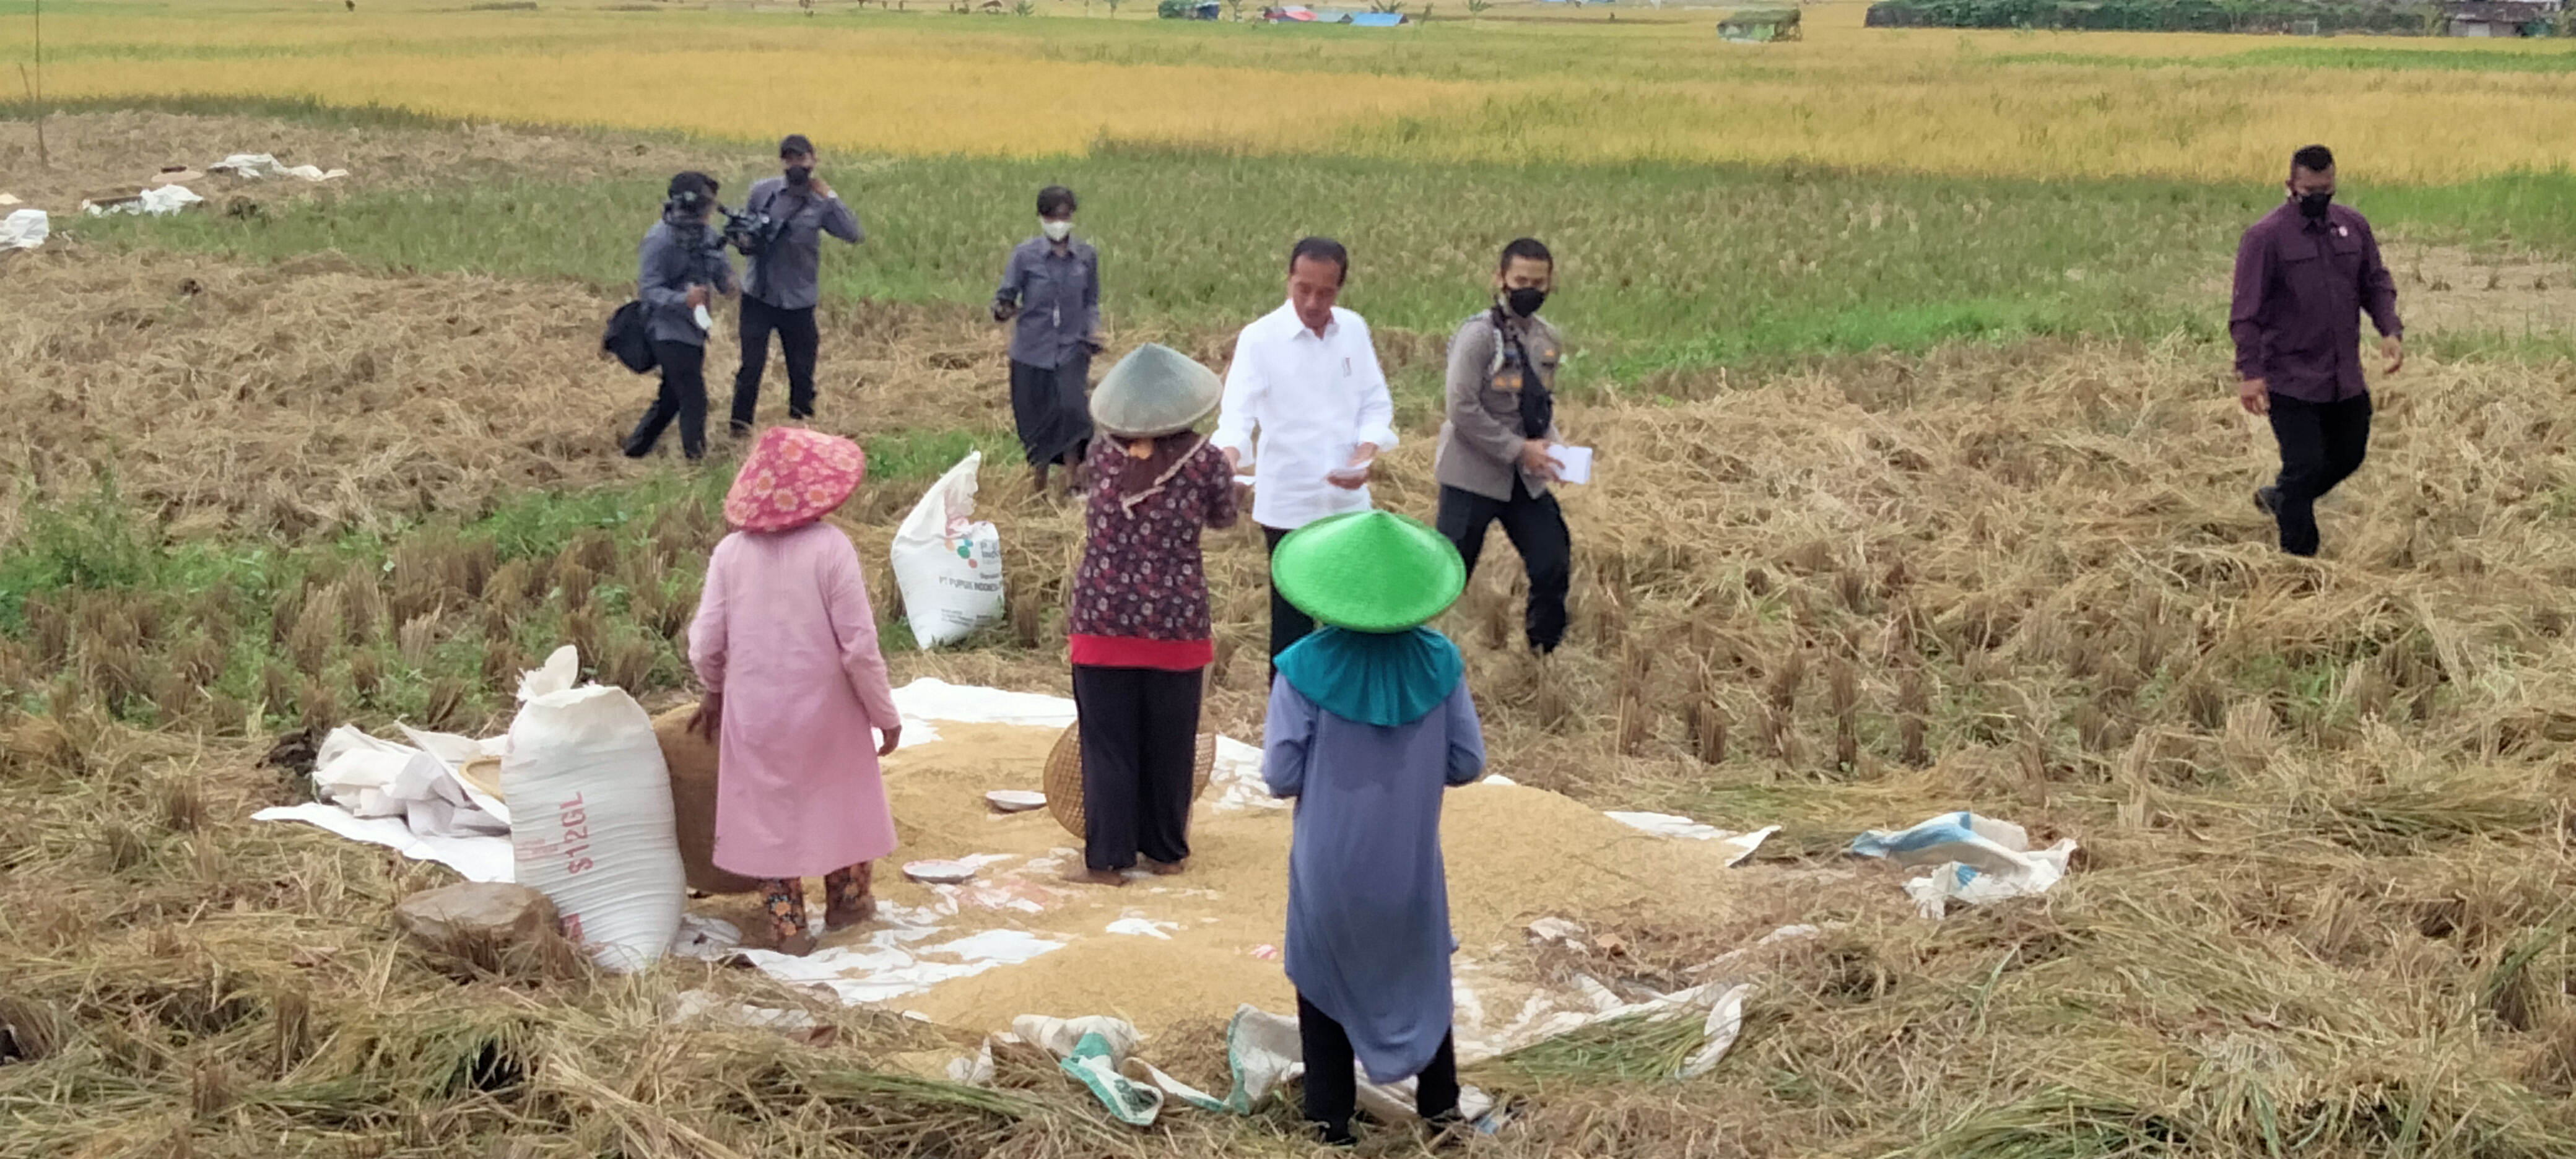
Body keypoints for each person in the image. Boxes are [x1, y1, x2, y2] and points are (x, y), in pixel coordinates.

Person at [1261, 510, 1485, 1147]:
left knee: (1322, 973)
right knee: (1421, 970)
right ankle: (1441, 1110)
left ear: (1326, 589)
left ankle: (1328, 1121)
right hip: (1410, 865)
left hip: (1327, 865)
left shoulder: (1301, 667)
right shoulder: (1440, 663)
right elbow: (1467, 762)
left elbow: (1279, 774)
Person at [687, 427, 903, 957]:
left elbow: (705, 643)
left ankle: (788, 928)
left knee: (769, 811)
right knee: (841, 797)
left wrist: (714, 691)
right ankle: (847, 902)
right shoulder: (831, 548)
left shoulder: (730, 554)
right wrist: (883, 712)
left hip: (755, 711)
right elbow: (858, 646)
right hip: (827, 709)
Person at [1061, 344, 1239, 887]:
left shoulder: (1101, 454)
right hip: (1176, 620)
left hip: (1100, 615)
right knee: (1170, 739)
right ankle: (1165, 851)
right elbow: (1225, 518)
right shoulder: (1207, 461)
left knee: (1108, 742)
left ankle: (1108, 859)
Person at [1212, 237, 1398, 672]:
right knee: (1292, 630)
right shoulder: (1260, 339)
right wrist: (1228, 461)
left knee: (1350, 618)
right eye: (1303, 289)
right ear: (1289, 281)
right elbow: (1236, 416)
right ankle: (1288, 724)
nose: (1313, 301)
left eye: (1325, 291)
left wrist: (1364, 457)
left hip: (1348, 505)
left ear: (1340, 288)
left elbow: (1375, 402)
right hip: (1288, 505)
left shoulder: (1353, 329)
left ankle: (1343, 721)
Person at [2230, 143, 2404, 558]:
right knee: (2305, 465)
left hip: (2343, 376)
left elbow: (2374, 283)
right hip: (2291, 377)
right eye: (2310, 192)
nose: (2319, 200)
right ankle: (2299, 563)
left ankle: (2283, 498)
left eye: (2327, 190)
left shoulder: (2352, 227)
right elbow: (2245, 311)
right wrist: (2250, 373)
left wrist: (2389, 330)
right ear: (2290, 186)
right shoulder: (2265, 238)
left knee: (2349, 455)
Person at [1435, 237, 1572, 654]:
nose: (1529, 289)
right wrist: (1517, 449)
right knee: (1445, 575)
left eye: (1538, 281)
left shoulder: (1548, 339)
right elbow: (1461, 407)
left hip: (1524, 481)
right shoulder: (1478, 336)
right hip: (1472, 476)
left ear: (1550, 285)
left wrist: (1555, 451)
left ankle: (1542, 653)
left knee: (1553, 560)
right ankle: (1419, 653)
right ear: (1500, 279)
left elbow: (1539, 407)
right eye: (1520, 280)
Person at [730, 134, 864, 436]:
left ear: (813, 160)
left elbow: (854, 234)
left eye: (802, 158)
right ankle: (738, 432)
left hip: (799, 299)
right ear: (782, 162)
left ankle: (802, 431)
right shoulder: (762, 193)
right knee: (750, 368)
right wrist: (745, 240)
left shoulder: (820, 203)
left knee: (802, 372)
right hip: (759, 295)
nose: (796, 164)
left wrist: (831, 197)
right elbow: (743, 232)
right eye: (790, 158)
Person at [994, 186, 1103, 496]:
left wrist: (1094, 330)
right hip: (1031, 350)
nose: (1059, 222)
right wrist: (1003, 310)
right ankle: (1038, 482)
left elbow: (1091, 301)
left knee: (1072, 412)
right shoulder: (1025, 256)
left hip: (1072, 347)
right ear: (1042, 218)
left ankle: (1073, 480)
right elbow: (1004, 297)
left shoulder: (1086, 257)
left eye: (1065, 216)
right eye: (1053, 216)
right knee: (1037, 417)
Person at [625, 171, 738, 462]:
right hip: (666, 329)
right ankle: (696, 463)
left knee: (672, 398)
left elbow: (721, 270)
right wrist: (682, 300)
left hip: (693, 330)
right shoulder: (659, 239)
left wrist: (729, 283)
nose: (712, 209)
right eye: (707, 202)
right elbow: (649, 290)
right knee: (694, 398)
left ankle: (634, 450)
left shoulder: (707, 236)